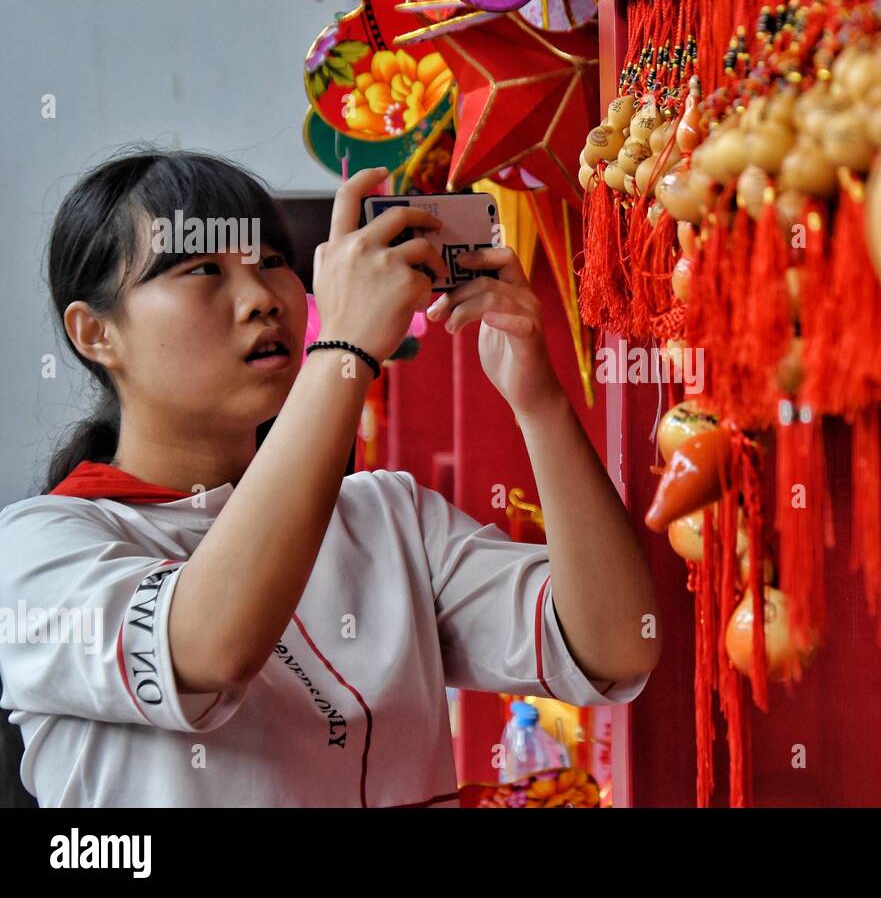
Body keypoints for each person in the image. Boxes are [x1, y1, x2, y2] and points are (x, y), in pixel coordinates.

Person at [0, 149, 659, 806]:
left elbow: (617, 646)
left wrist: (538, 401)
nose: (261, 298)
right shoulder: (38, 552)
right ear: (95, 334)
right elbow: (207, 649)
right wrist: (343, 349)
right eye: (204, 269)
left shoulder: (387, 516)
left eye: (272, 263)